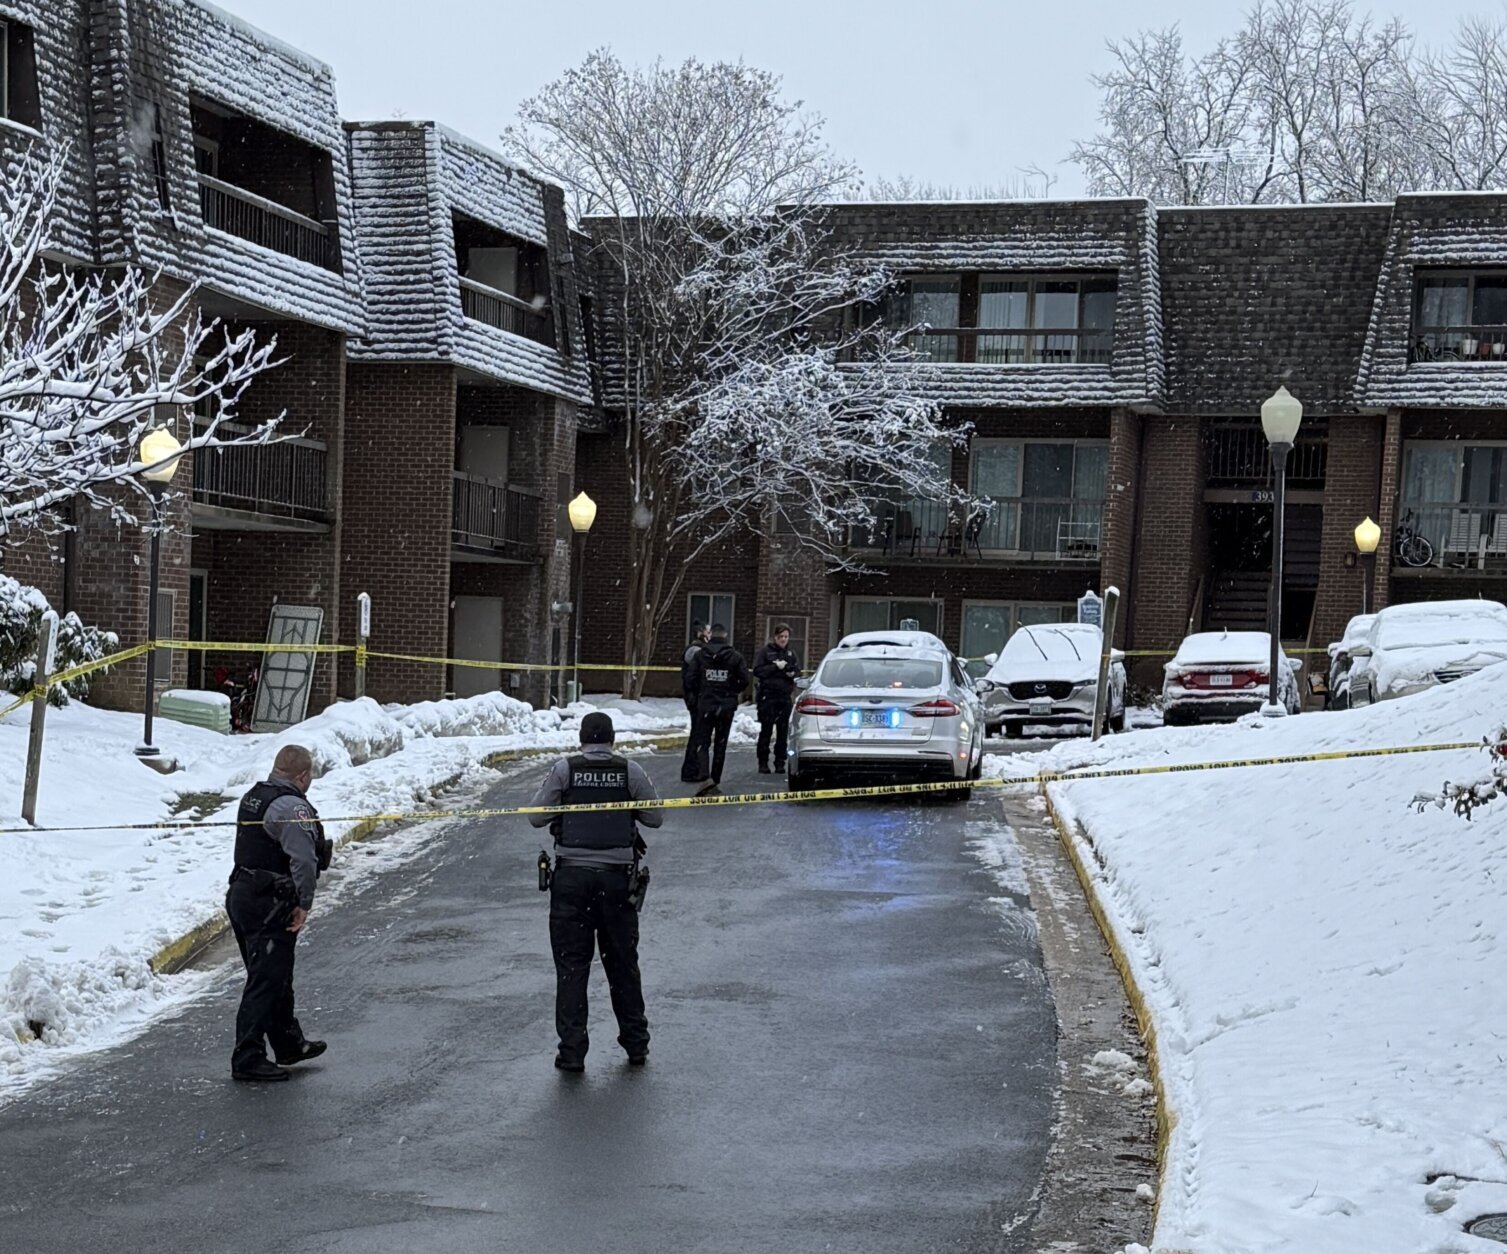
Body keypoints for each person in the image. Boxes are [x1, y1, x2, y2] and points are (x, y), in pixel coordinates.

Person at [530, 711, 662, 1072]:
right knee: (622, 964)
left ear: (582, 738)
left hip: (571, 880)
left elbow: (536, 816)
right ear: (613, 739)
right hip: (616, 881)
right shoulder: (629, 770)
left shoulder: (565, 770)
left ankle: (571, 1052)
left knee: (572, 967)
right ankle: (636, 1045)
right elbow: (655, 817)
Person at [226, 744, 333, 1083]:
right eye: (309, 778)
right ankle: (248, 1056)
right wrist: (304, 903)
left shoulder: (255, 796)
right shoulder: (292, 807)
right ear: (302, 776)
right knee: (267, 979)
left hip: (244, 893)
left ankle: (288, 1042)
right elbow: (303, 861)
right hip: (269, 902)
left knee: (275, 975)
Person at [687, 622, 750, 794]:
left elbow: (690, 678)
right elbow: (744, 680)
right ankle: (714, 779)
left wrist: (700, 692)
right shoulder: (735, 657)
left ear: (711, 635)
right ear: (725, 636)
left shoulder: (700, 655)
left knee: (703, 742)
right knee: (720, 744)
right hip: (726, 706)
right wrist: (731, 691)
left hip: (706, 704)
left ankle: (705, 775)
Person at [751, 623, 802, 774]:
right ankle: (763, 762)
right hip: (768, 696)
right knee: (766, 731)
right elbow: (758, 670)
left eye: (786, 637)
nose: (783, 640)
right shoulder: (766, 652)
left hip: (784, 697)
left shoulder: (791, 653)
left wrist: (792, 673)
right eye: (781, 637)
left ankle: (780, 762)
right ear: (775, 637)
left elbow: (797, 671)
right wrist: (775, 667)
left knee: (782, 731)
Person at [679, 621, 711, 783]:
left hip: (697, 698)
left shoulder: (697, 650)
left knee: (699, 734)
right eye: (708, 632)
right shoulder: (694, 651)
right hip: (696, 699)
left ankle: (695, 769)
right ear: (700, 633)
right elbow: (696, 676)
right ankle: (691, 770)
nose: (710, 635)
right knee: (698, 734)